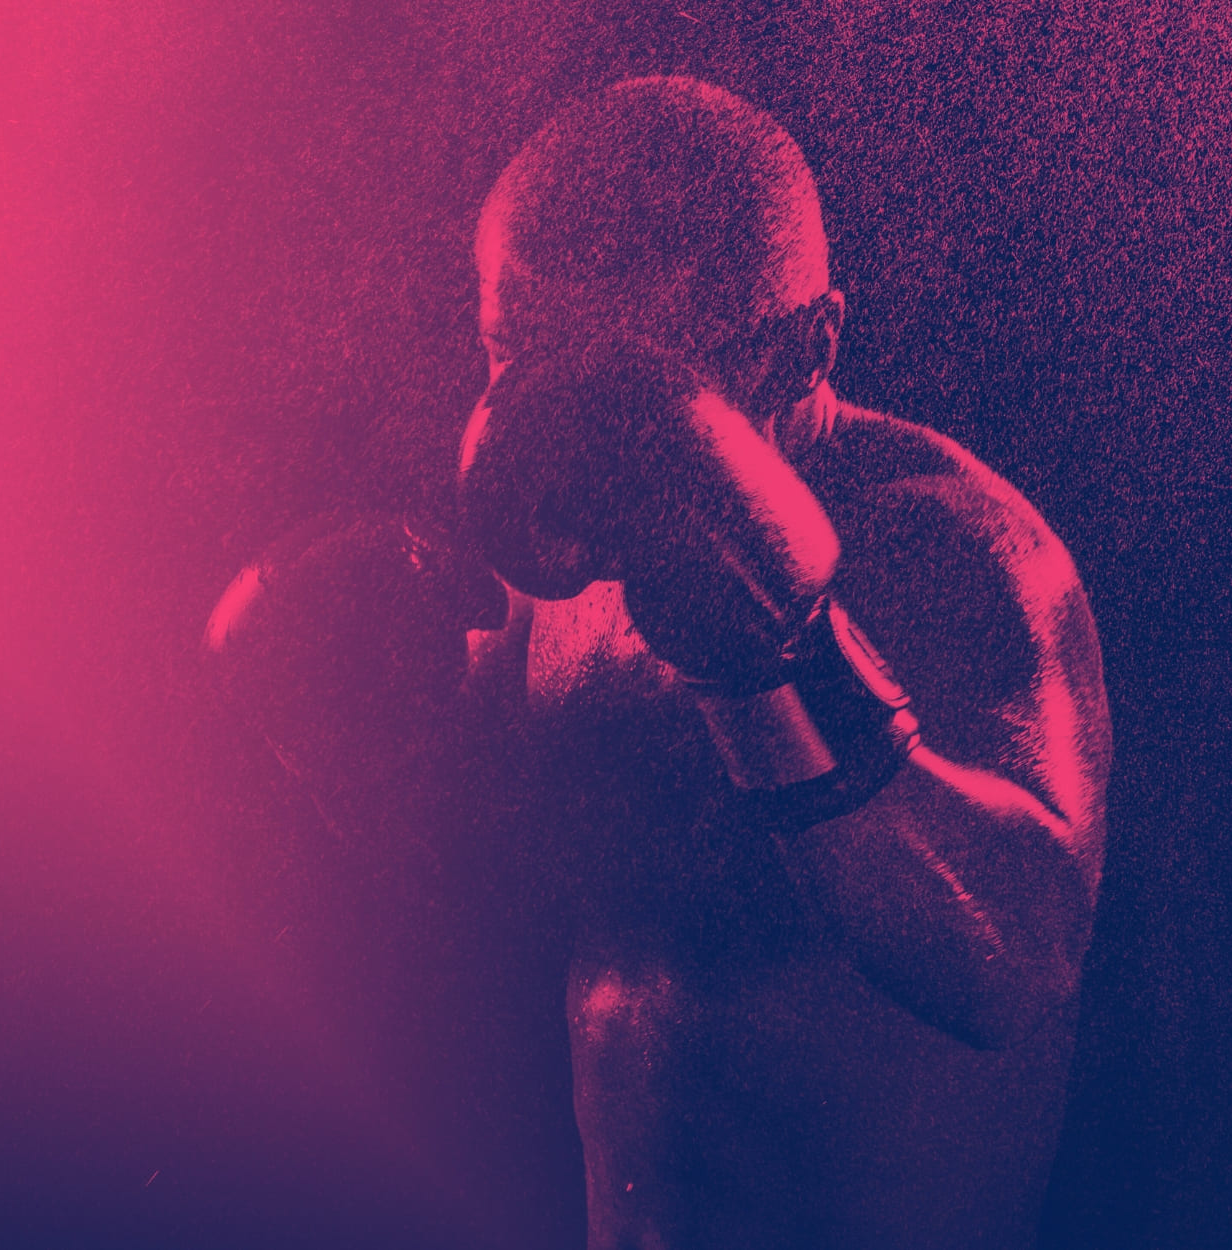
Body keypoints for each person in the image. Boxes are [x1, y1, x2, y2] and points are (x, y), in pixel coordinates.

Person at [211, 76, 1110, 1250]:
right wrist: (345, 729)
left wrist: (785, 662)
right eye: (515, 354)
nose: (561, 418)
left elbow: (1019, 956)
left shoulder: (944, 545)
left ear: (806, 347)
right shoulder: (566, 572)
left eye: (632, 378)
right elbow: (488, 880)